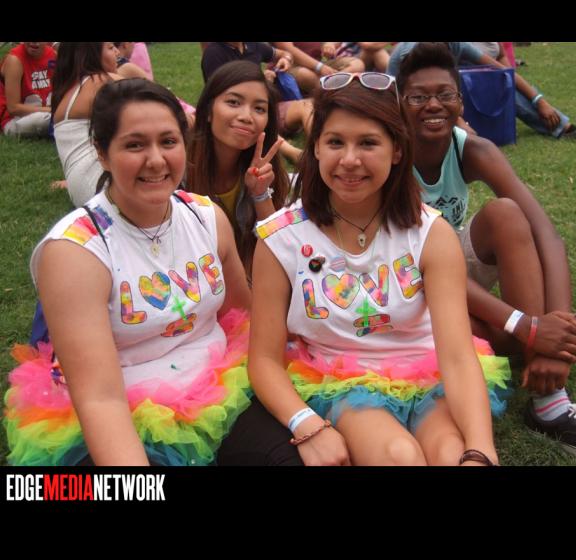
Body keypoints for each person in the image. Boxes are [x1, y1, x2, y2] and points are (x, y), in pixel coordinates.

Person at [247, 72, 511, 466]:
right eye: (335, 142)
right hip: (340, 380)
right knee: (399, 456)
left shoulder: (430, 233)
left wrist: (481, 450)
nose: (349, 160)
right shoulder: (280, 238)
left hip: (430, 373)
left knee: (452, 455)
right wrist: (307, 424)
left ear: (397, 150)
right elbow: (263, 360)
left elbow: (457, 356)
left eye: (368, 143)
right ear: (316, 147)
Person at [397, 42, 576, 465]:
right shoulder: (391, 158)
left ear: (460, 102)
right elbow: (416, 268)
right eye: (418, 97)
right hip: (406, 281)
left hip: (454, 264)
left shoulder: (472, 150)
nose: (433, 105)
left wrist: (553, 333)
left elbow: (547, 235)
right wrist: (528, 327)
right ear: (399, 104)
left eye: (445, 94)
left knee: (506, 214)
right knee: (486, 339)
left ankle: (550, 400)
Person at [4, 78, 254, 466]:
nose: (156, 160)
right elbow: (100, 398)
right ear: (102, 153)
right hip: (125, 410)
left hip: (222, 386)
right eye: (135, 145)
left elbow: (243, 315)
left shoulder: (207, 217)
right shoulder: (75, 250)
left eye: (168, 141)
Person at [186, 60, 289, 278]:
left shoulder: (265, 170)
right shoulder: (180, 172)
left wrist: (260, 194)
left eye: (259, 108)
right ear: (208, 111)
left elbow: (277, 247)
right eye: (233, 102)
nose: (246, 116)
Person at [389, 42, 576, 142]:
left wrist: (539, 100)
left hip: (445, 102)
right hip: (405, 107)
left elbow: (504, 72)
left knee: (501, 83)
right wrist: (459, 122)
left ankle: (564, 128)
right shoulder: (409, 52)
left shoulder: (457, 45)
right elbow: (405, 97)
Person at [51, 42, 122, 207]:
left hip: (80, 190)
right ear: (91, 54)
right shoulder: (102, 82)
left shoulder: (67, 90)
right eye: (110, 47)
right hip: (105, 188)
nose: (117, 52)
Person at [0, 42, 56, 137]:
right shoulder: (15, 60)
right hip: (15, 120)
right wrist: (52, 111)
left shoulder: (53, 55)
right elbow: (13, 108)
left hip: (48, 112)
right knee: (42, 120)